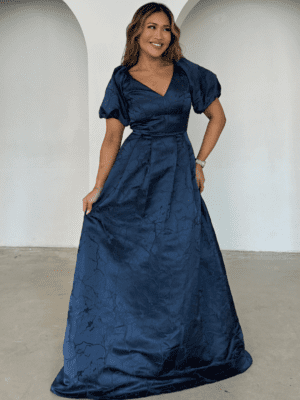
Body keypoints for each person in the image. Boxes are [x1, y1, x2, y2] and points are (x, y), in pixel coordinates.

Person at [50, 2, 253, 399]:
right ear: (137, 33)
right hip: (134, 173)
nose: (159, 35)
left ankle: (181, 346)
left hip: (177, 174)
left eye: (166, 27)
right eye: (151, 27)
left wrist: (199, 161)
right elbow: (112, 137)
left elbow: (218, 117)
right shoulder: (122, 79)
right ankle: (131, 343)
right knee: (132, 256)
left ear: (172, 34)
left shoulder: (189, 73)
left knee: (180, 258)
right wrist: (98, 188)